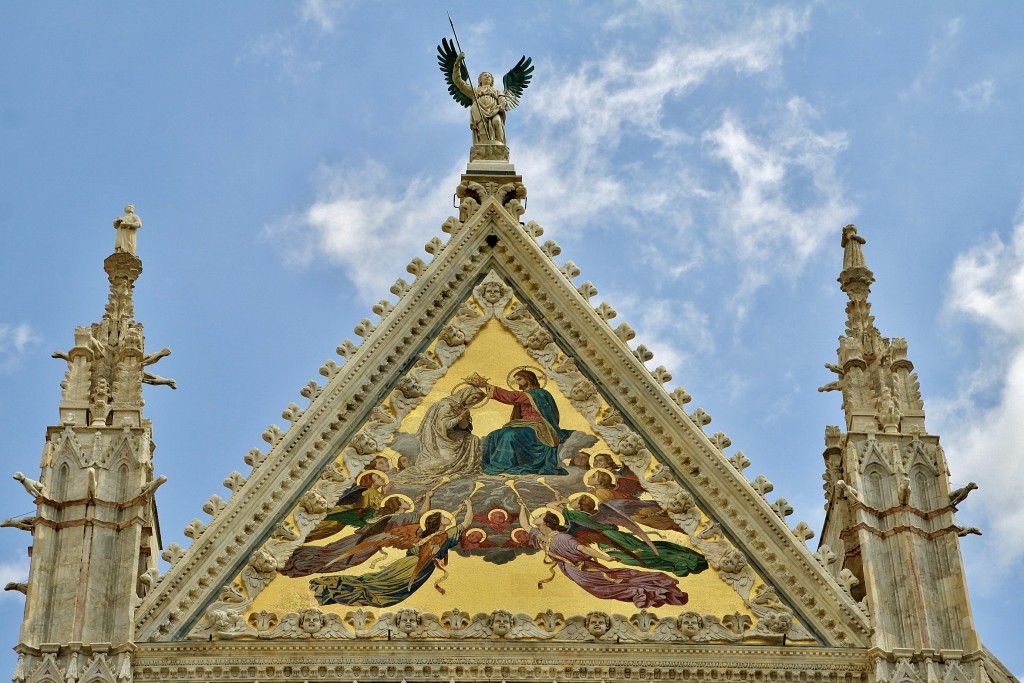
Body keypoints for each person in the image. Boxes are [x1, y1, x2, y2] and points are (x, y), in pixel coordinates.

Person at [310, 494, 475, 607]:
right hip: (416, 568)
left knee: (375, 581)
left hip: (405, 564)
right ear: (438, 521)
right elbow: (466, 523)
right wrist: (469, 506)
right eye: (444, 516)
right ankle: (332, 589)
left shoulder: (421, 533)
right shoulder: (445, 535)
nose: (449, 517)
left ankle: (331, 588)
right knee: (385, 590)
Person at [519, 503, 688, 609]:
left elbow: (584, 549)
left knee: (603, 588)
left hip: (584, 569)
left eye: (540, 515)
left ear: (547, 522)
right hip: (571, 571)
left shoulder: (562, 538)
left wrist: (606, 558)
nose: (536, 516)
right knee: (602, 588)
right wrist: (521, 506)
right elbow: (524, 524)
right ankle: (639, 590)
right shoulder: (540, 537)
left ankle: (640, 591)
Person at [467, 370, 570, 476]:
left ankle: (502, 466)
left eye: (519, 379)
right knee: (494, 435)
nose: (517, 382)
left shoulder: (539, 394)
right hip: (523, 425)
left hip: (540, 428)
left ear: (529, 380)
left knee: (510, 435)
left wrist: (486, 385)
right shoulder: (526, 395)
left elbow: (513, 397)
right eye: (516, 380)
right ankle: (487, 464)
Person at [405, 385, 485, 486]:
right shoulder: (446, 405)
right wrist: (460, 417)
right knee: (447, 460)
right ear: (466, 394)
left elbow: (464, 428)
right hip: (439, 438)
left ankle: (469, 468)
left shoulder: (462, 408)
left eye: (478, 400)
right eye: (474, 397)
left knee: (473, 439)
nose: (475, 401)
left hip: (453, 436)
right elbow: (443, 426)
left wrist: (464, 418)